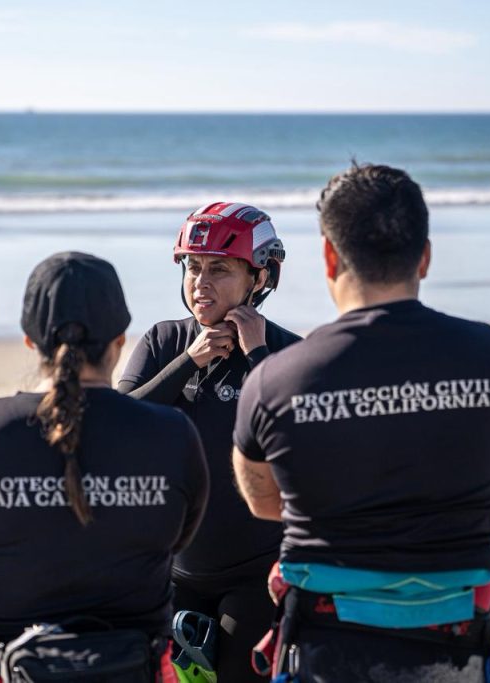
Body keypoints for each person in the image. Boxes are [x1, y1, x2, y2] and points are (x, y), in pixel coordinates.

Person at [232, 165, 490, 681]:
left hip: (327, 637)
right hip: (458, 630)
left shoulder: (277, 379)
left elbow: (265, 503)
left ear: (329, 255)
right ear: (425, 256)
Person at [0, 252, 209, 683]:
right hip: (134, 664)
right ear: (119, 341)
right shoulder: (172, 433)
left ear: (29, 340)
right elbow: (176, 538)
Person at [118, 202, 302, 682]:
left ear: (259, 278)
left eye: (219, 269)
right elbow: (117, 426)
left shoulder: (290, 353)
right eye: (192, 267)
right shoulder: (163, 342)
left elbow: (300, 445)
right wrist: (188, 363)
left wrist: (258, 355)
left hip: (255, 572)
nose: (200, 282)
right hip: (168, 569)